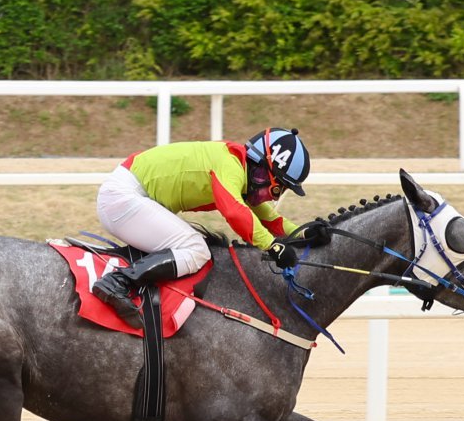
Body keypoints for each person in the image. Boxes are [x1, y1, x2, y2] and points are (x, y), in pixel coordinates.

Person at [93, 126, 325, 325]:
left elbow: (265, 217)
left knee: (193, 247)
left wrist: (302, 232)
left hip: (130, 195)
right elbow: (235, 212)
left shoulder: (237, 166)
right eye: (278, 189)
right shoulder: (229, 165)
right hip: (123, 198)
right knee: (196, 249)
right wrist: (273, 247)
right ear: (263, 172)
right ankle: (118, 282)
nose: (274, 198)